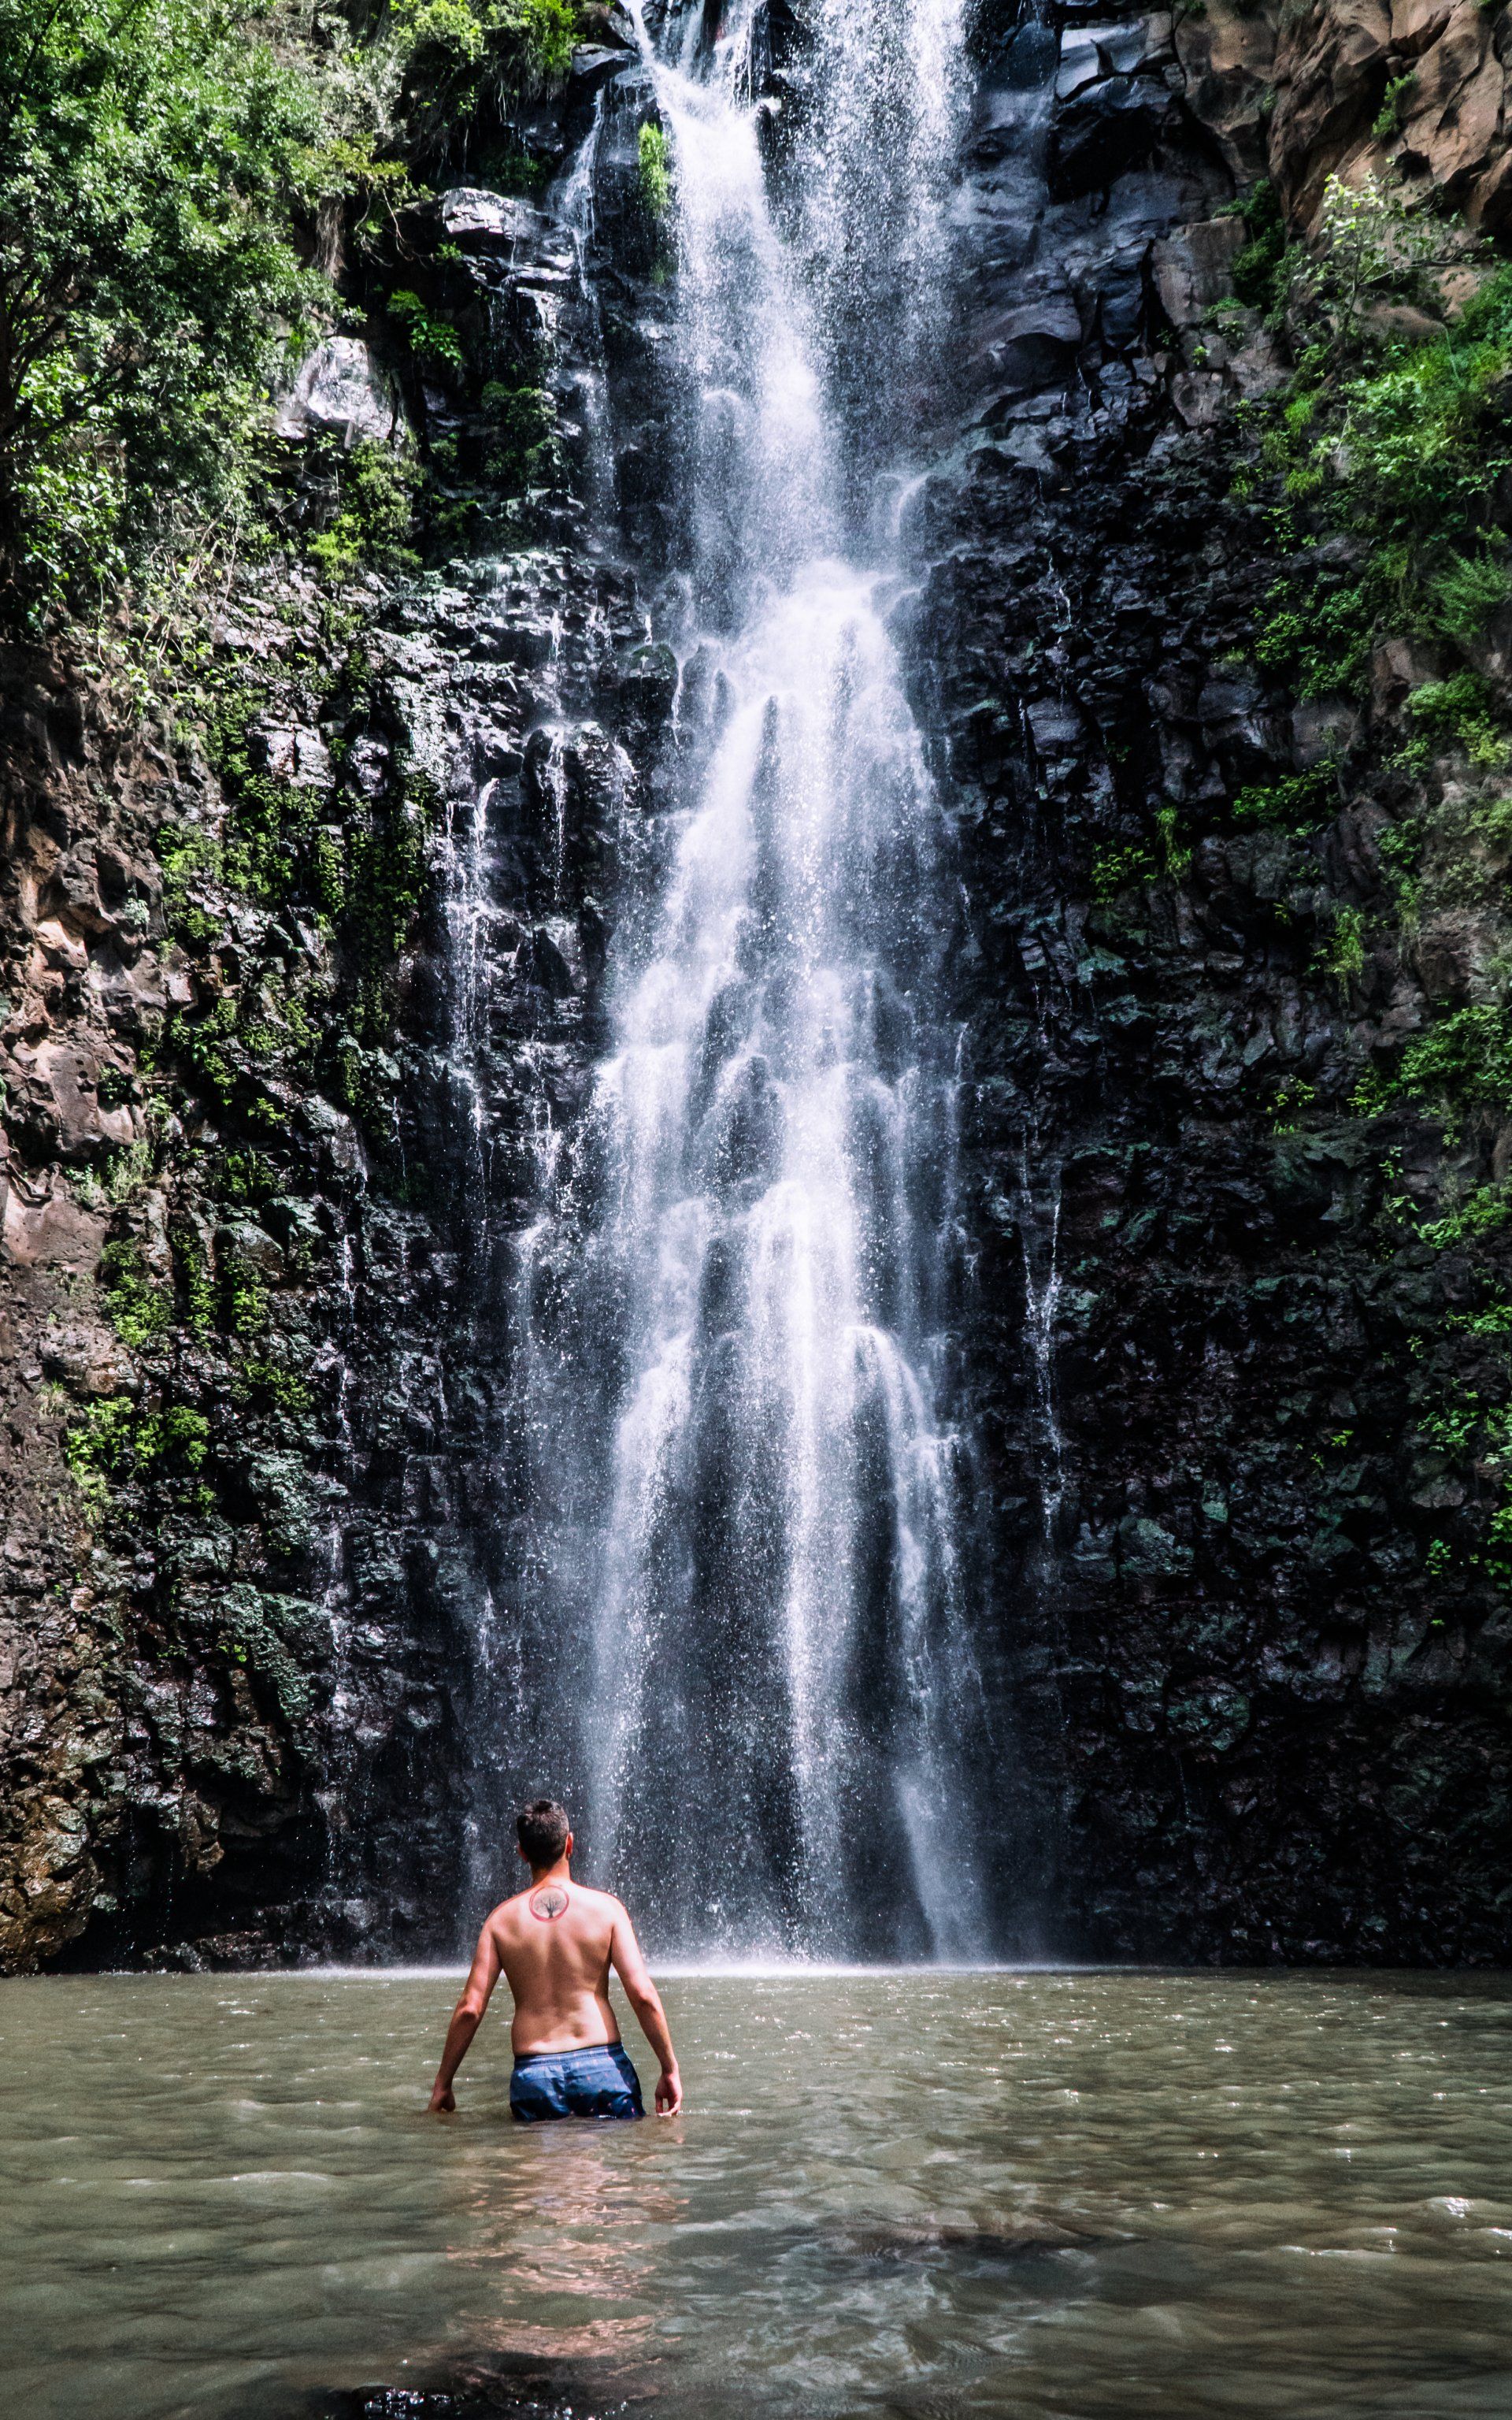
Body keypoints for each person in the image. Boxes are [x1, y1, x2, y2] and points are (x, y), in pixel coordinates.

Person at [427, 1797, 684, 2122]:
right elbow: (643, 1996)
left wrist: (443, 2083)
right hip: (602, 2070)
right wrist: (669, 2068)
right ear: (570, 1843)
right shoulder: (607, 1910)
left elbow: (470, 2009)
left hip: (535, 2076)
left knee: (539, 2171)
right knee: (612, 2169)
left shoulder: (500, 1921)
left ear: (522, 1853)